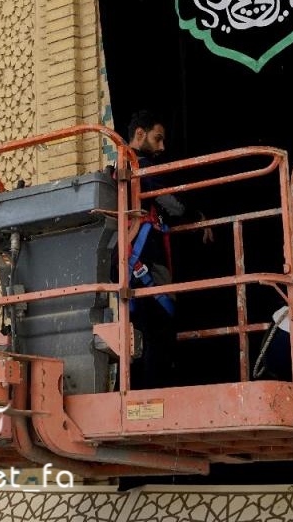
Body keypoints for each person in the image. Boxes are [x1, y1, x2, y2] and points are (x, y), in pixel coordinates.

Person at [119, 110, 212, 388]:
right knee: (158, 333)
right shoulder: (140, 165)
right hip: (145, 261)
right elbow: (172, 204)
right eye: (157, 138)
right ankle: (154, 398)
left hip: (130, 262)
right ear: (140, 134)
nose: (162, 147)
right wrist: (196, 216)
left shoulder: (121, 166)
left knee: (139, 335)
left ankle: (137, 397)